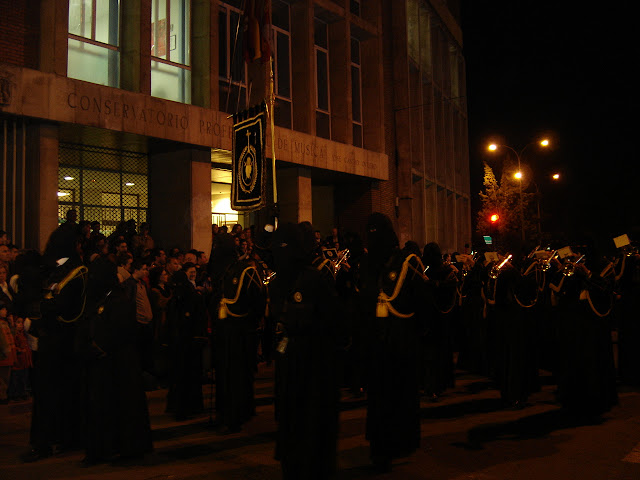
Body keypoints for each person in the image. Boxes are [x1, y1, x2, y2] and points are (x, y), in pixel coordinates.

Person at [271, 222, 340, 480]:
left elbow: (331, 319)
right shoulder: (284, 281)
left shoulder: (311, 277)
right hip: (300, 363)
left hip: (311, 363)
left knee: (307, 419)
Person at [359, 213, 428, 472]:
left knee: (390, 397)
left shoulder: (405, 262)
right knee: (387, 398)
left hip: (394, 343)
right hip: (391, 344)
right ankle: (388, 446)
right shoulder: (370, 264)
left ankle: (387, 446)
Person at [80, 257, 153, 464]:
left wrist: (100, 347)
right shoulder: (100, 298)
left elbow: (121, 332)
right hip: (103, 364)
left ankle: (126, 447)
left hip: (119, 365)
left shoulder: (120, 299)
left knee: (122, 407)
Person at [212, 234, 265, 433]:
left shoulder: (234, 271)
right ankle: (236, 413)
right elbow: (258, 301)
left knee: (231, 375)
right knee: (236, 375)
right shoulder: (235, 271)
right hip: (237, 333)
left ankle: (230, 414)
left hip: (232, 333)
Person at [9, 316, 32, 401]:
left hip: (24, 360)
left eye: (21, 323)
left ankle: (22, 393)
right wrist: (20, 350)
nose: (21, 325)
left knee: (23, 377)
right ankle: (15, 394)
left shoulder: (23, 334)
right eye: (18, 322)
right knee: (17, 378)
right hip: (18, 360)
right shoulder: (14, 334)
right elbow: (13, 346)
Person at [0, 302, 17, 404]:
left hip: (8, 354)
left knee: (6, 377)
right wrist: (5, 351)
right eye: (3, 309)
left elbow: (12, 335)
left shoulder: (5, 323)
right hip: (3, 355)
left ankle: (4, 395)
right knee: (3, 378)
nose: (5, 311)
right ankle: (2, 396)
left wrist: (12, 324)